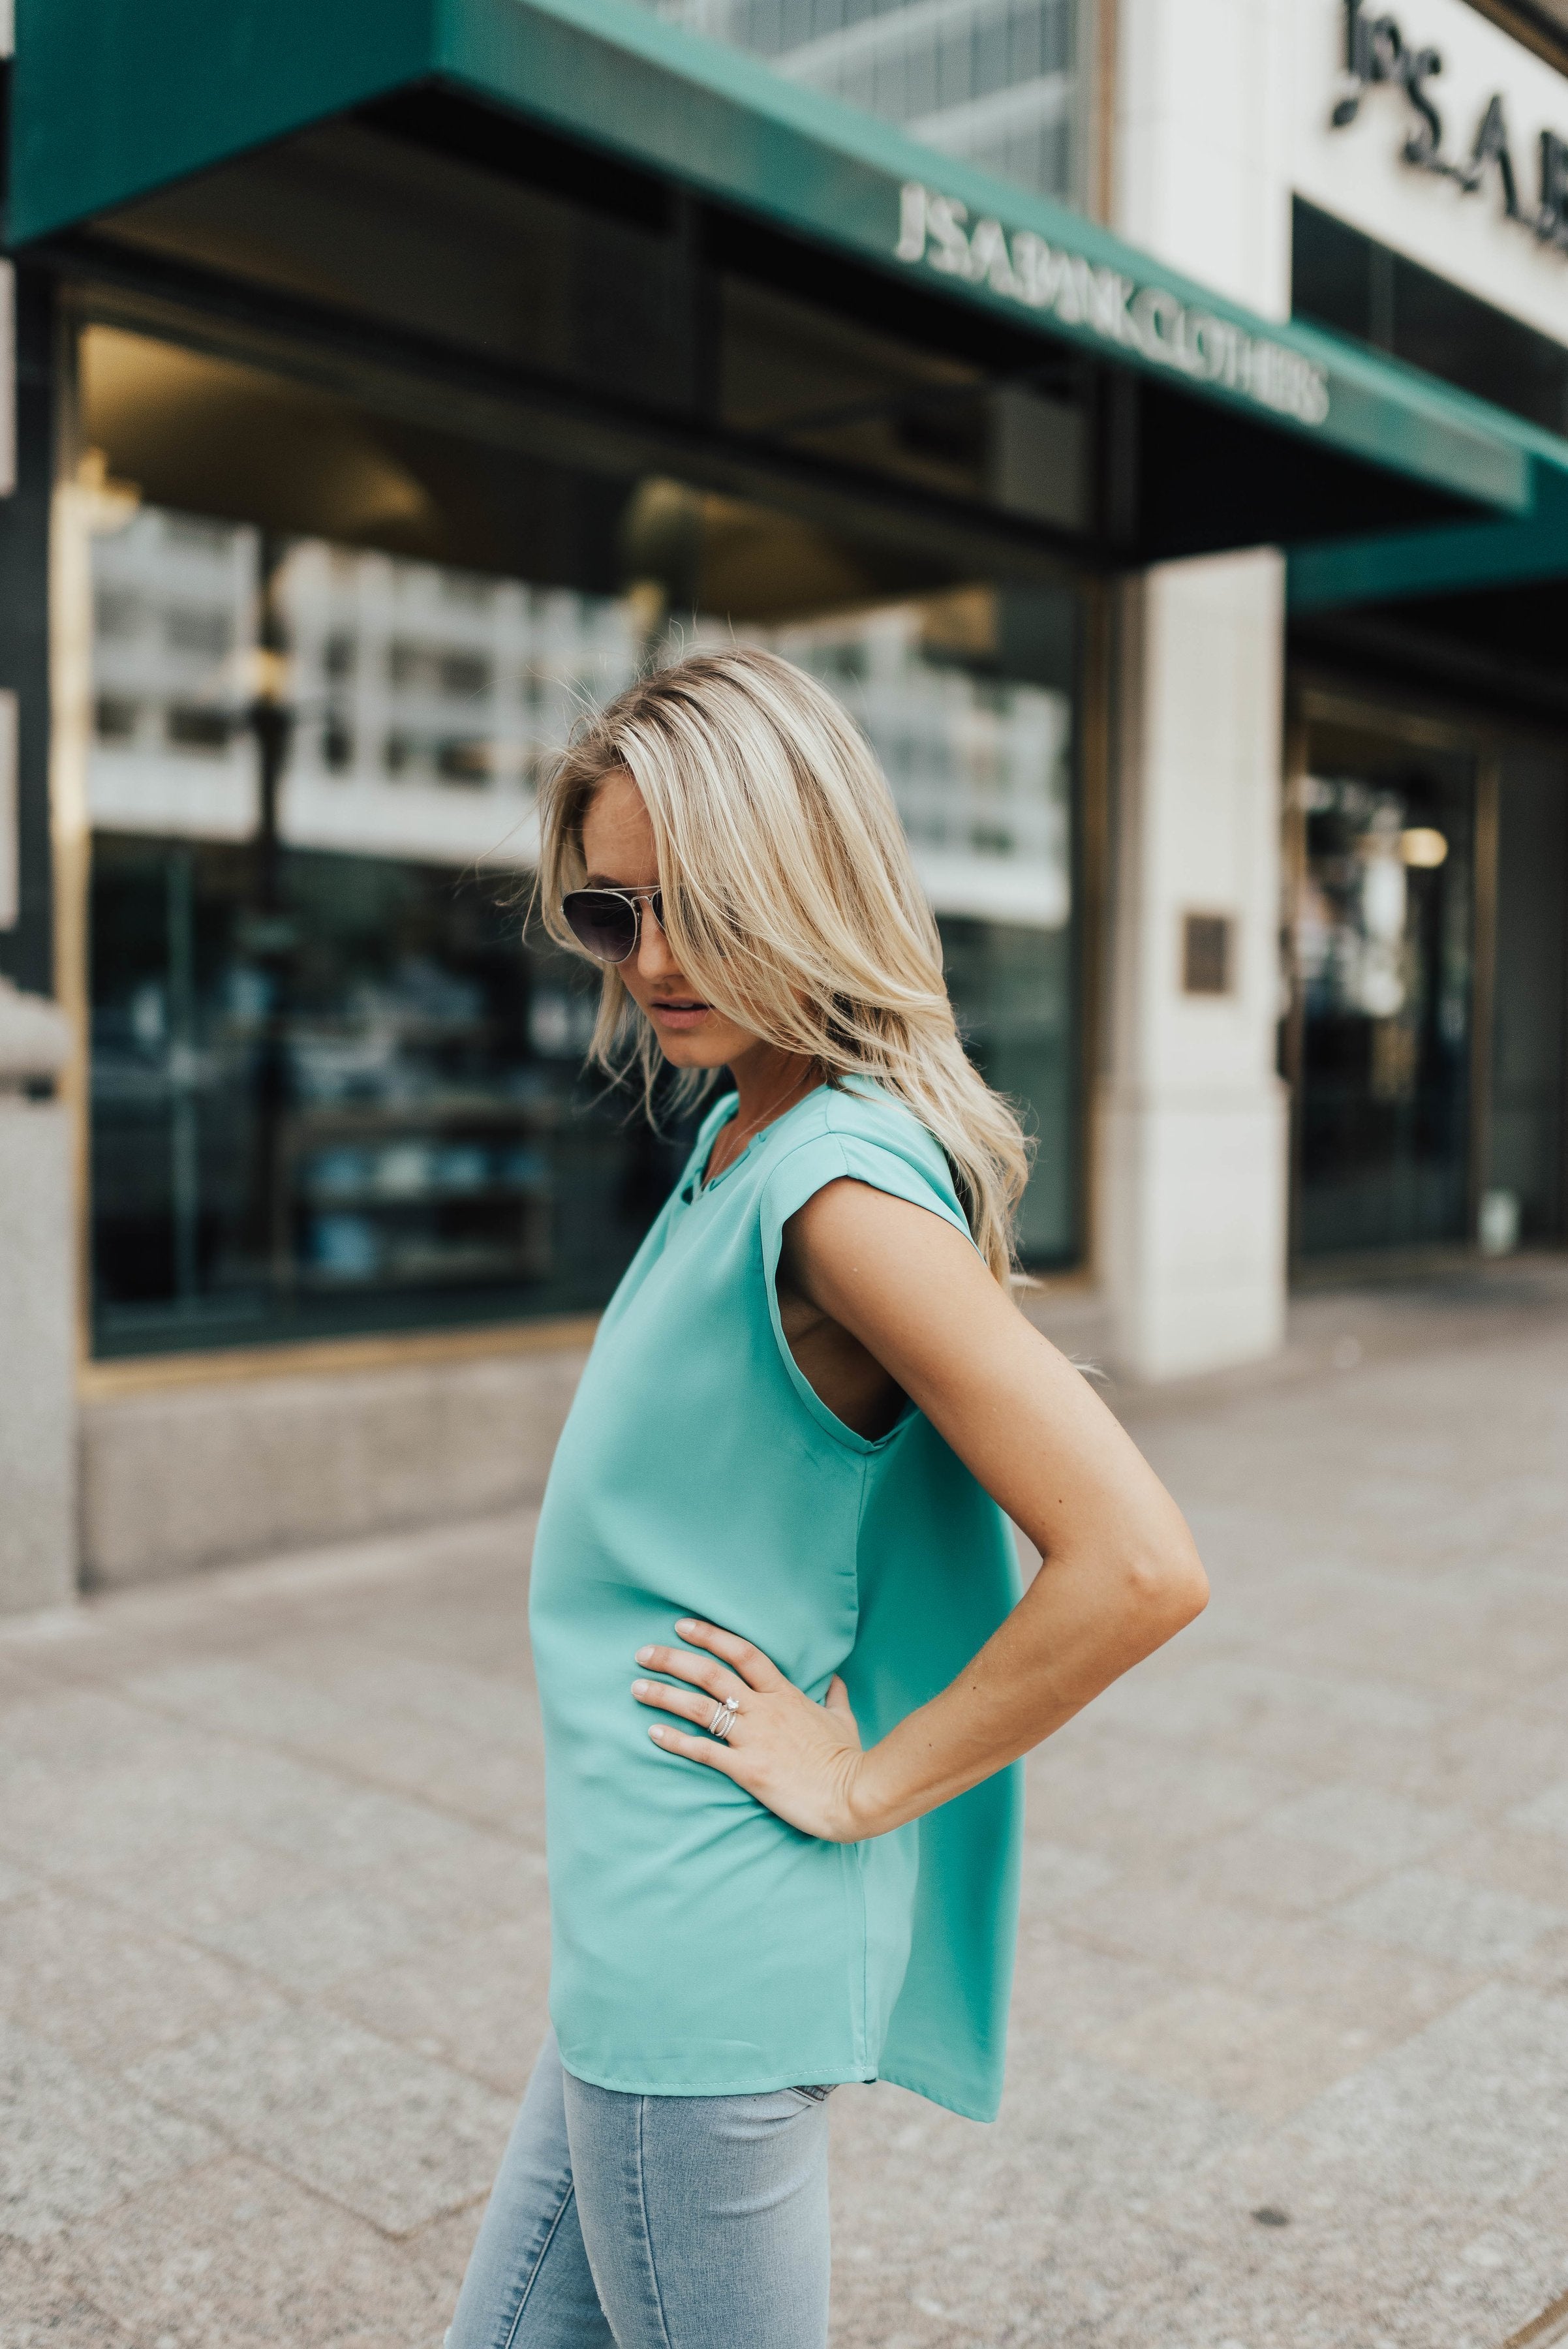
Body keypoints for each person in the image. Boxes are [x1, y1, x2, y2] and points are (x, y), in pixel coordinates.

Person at [447, 646, 1208, 2349]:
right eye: (606, 914)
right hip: (647, 1931)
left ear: (805, 880)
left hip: (700, 1957)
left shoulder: (835, 1190)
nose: (648, 960)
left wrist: (867, 1780)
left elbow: (1140, 1565)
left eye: (693, 903)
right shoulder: (749, 1132)